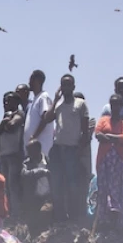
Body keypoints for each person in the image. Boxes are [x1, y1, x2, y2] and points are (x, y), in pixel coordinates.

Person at [43, 74, 89, 222]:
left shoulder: (80, 104)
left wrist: (80, 150)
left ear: (73, 86)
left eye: (69, 84)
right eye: (63, 84)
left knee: (72, 185)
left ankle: (74, 217)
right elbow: (47, 118)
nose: (66, 87)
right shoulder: (58, 106)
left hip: (72, 149)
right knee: (57, 184)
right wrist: (56, 99)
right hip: (57, 149)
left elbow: (85, 130)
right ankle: (60, 218)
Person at [94, 94, 123, 229]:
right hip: (104, 159)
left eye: (117, 104)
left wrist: (109, 136)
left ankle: (116, 226)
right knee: (103, 190)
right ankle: (102, 223)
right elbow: (98, 134)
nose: (115, 107)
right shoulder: (104, 120)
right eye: (113, 104)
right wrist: (114, 138)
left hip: (118, 161)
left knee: (117, 190)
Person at [0, 92, 25, 218]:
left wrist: (4, 124)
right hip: (3, 156)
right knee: (4, 187)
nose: (6, 103)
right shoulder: (5, 116)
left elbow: (12, 125)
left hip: (14, 155)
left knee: (13, 186)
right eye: (4, 100)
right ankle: (8, 213)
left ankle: (17, 215)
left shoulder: (19, 114)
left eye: (9, 100)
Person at [24, 70, 54, 157]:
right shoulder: (35, 100)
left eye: (31, 79)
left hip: (41, 149)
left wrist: (34, 136)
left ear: (37, 80)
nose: (29, 82)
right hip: (31, 150)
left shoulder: (43, 97)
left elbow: (45, 118)